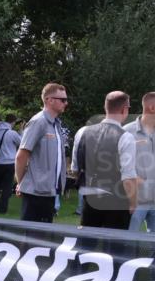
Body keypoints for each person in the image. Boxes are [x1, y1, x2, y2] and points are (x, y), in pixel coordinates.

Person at [76, 91, 138, 230]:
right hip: (116, 200)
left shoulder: (82, 132)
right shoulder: (126, 137)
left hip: (89, 196)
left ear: (106, 107)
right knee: (115, 242)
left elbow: (76, 167)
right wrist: (133, 202)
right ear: (124, 109)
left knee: (87, 240)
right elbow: (128, 177)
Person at [15, 83, 69, 223]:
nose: (66, 103)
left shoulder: (56, 124)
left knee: (43, 235)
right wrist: (21, 183)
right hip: (35, 193)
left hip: (49, 192)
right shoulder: (38, 122)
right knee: (30, 234)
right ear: (49, 100)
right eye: (62, 100)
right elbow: (21, 156)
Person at [124, 91, 155, 233]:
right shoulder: (126, 132)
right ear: (152, 108)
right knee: (127, 242)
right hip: (135, 201)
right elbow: (116, 165)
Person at [0, 113, 21, 214]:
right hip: (9, 163)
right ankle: (2, 209)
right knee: (7, 187)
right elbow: (21, 143)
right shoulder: (12, 133)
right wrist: (21, 131)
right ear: (13, 122)